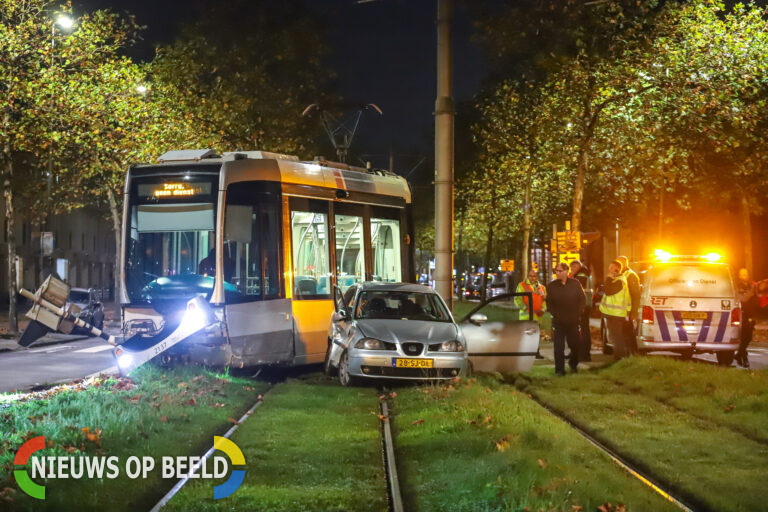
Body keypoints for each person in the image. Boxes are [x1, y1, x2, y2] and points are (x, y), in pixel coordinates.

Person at [546, 262, 586, 376]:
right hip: (559, 321)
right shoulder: (552, 286)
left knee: (575, 344)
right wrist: (554, 314)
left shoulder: (575, 283)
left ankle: (573, 364)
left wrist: (578, 313)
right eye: (556, 271)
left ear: (566, 271)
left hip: (573, 320)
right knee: (558, 347)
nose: (557, 273)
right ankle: (559, 370)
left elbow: (582, 299)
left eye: (559, 271)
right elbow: (549, 302)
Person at [600, 260, 632, 360]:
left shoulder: (619, 281)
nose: (609, 270)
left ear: (617, 269)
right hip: (613, 314)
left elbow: (608, 291)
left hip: (616, 315)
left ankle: (619, 357)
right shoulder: (617, 280)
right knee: (615, 337)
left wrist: (608, 278)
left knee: (617, 337)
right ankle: (620, 356)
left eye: (611, 268)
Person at [570, 260, 593, 361]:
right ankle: (581, 353)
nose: (572, 270)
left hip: (582, 307)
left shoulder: (581, 276)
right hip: (585, 306)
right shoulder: (583, 274)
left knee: (583, 331)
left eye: (573, 268)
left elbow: (577, 293)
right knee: (583, 330)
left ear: (577, 266)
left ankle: (584, 354)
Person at [617, 255, 640, 354]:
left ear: (626, 263)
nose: (620, 265)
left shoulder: (631, 275)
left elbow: (636, 295)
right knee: (622, 334)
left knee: (628, 334)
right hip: (619, 311)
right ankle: (626, 354)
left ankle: (632, 354)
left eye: (622, 262)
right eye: (618, 262)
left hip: (627, 311)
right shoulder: (619, 275)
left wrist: (634, 311)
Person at [735, 268, 758, 368]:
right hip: (741, 315)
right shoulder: (737, 286)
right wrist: (752, 291)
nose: (745, 275)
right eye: (742, 274)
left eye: (746, 273)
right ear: (739, 276)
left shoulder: (752, 285)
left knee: (748, 337)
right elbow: (743, 299)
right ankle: (743, 357)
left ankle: (739, 354)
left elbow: (759, 296)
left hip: (750, 314)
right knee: (744, 336)